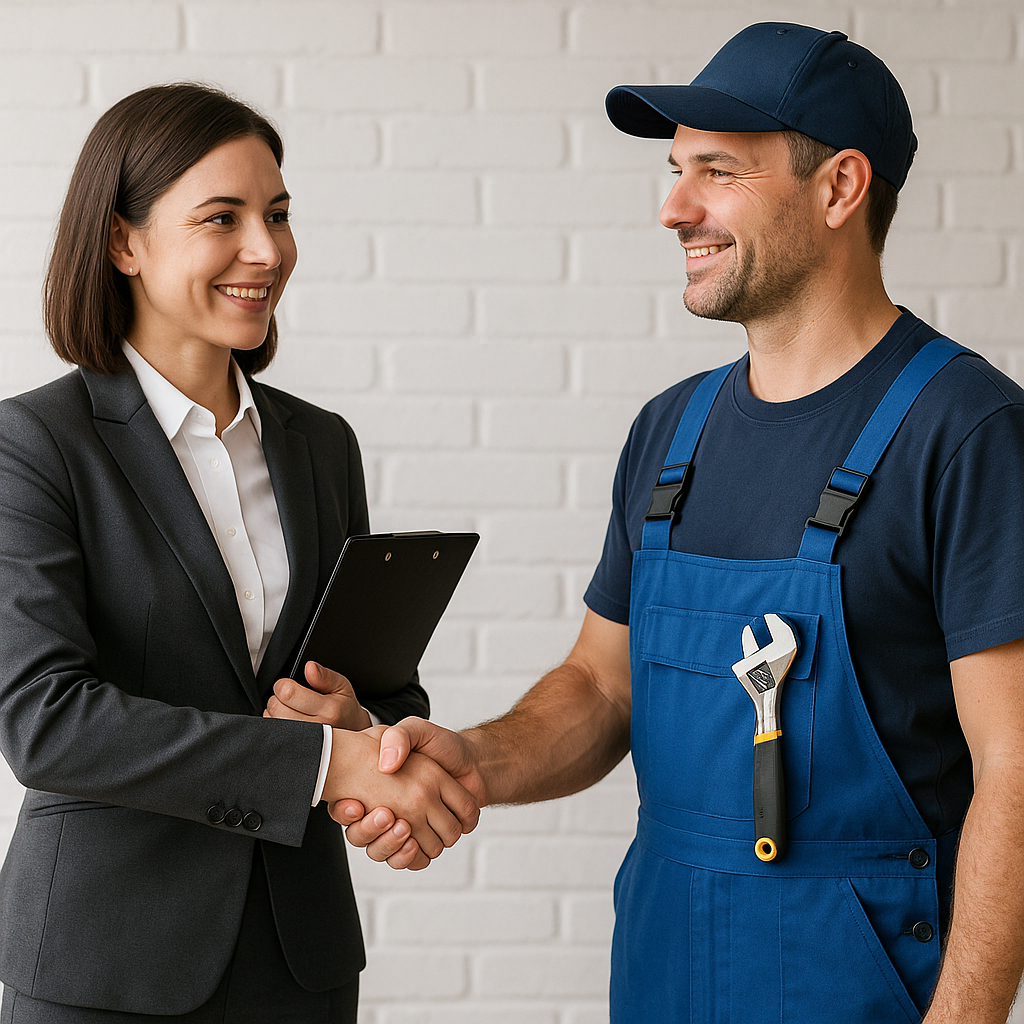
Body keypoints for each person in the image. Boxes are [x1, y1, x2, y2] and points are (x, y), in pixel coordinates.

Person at [319, 22, 1024, 1024]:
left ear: (839, 188)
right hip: (665, 972)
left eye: (716, 171)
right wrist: (465, 762)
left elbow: (1017, 766)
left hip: (863, 991)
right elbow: (601, 685)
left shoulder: (966, 432)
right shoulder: (671, 433)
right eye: (672, 170)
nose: (672, 207)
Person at [0, 83, 477, 1024]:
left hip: (300, 959)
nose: (267, 250)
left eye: (279, 214)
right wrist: (322, 764)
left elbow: (379, 688)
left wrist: (365, 723)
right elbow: (44, 720)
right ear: (122, 242)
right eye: (223, 218)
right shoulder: (35, 445)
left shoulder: (319, 443)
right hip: (107, 963)